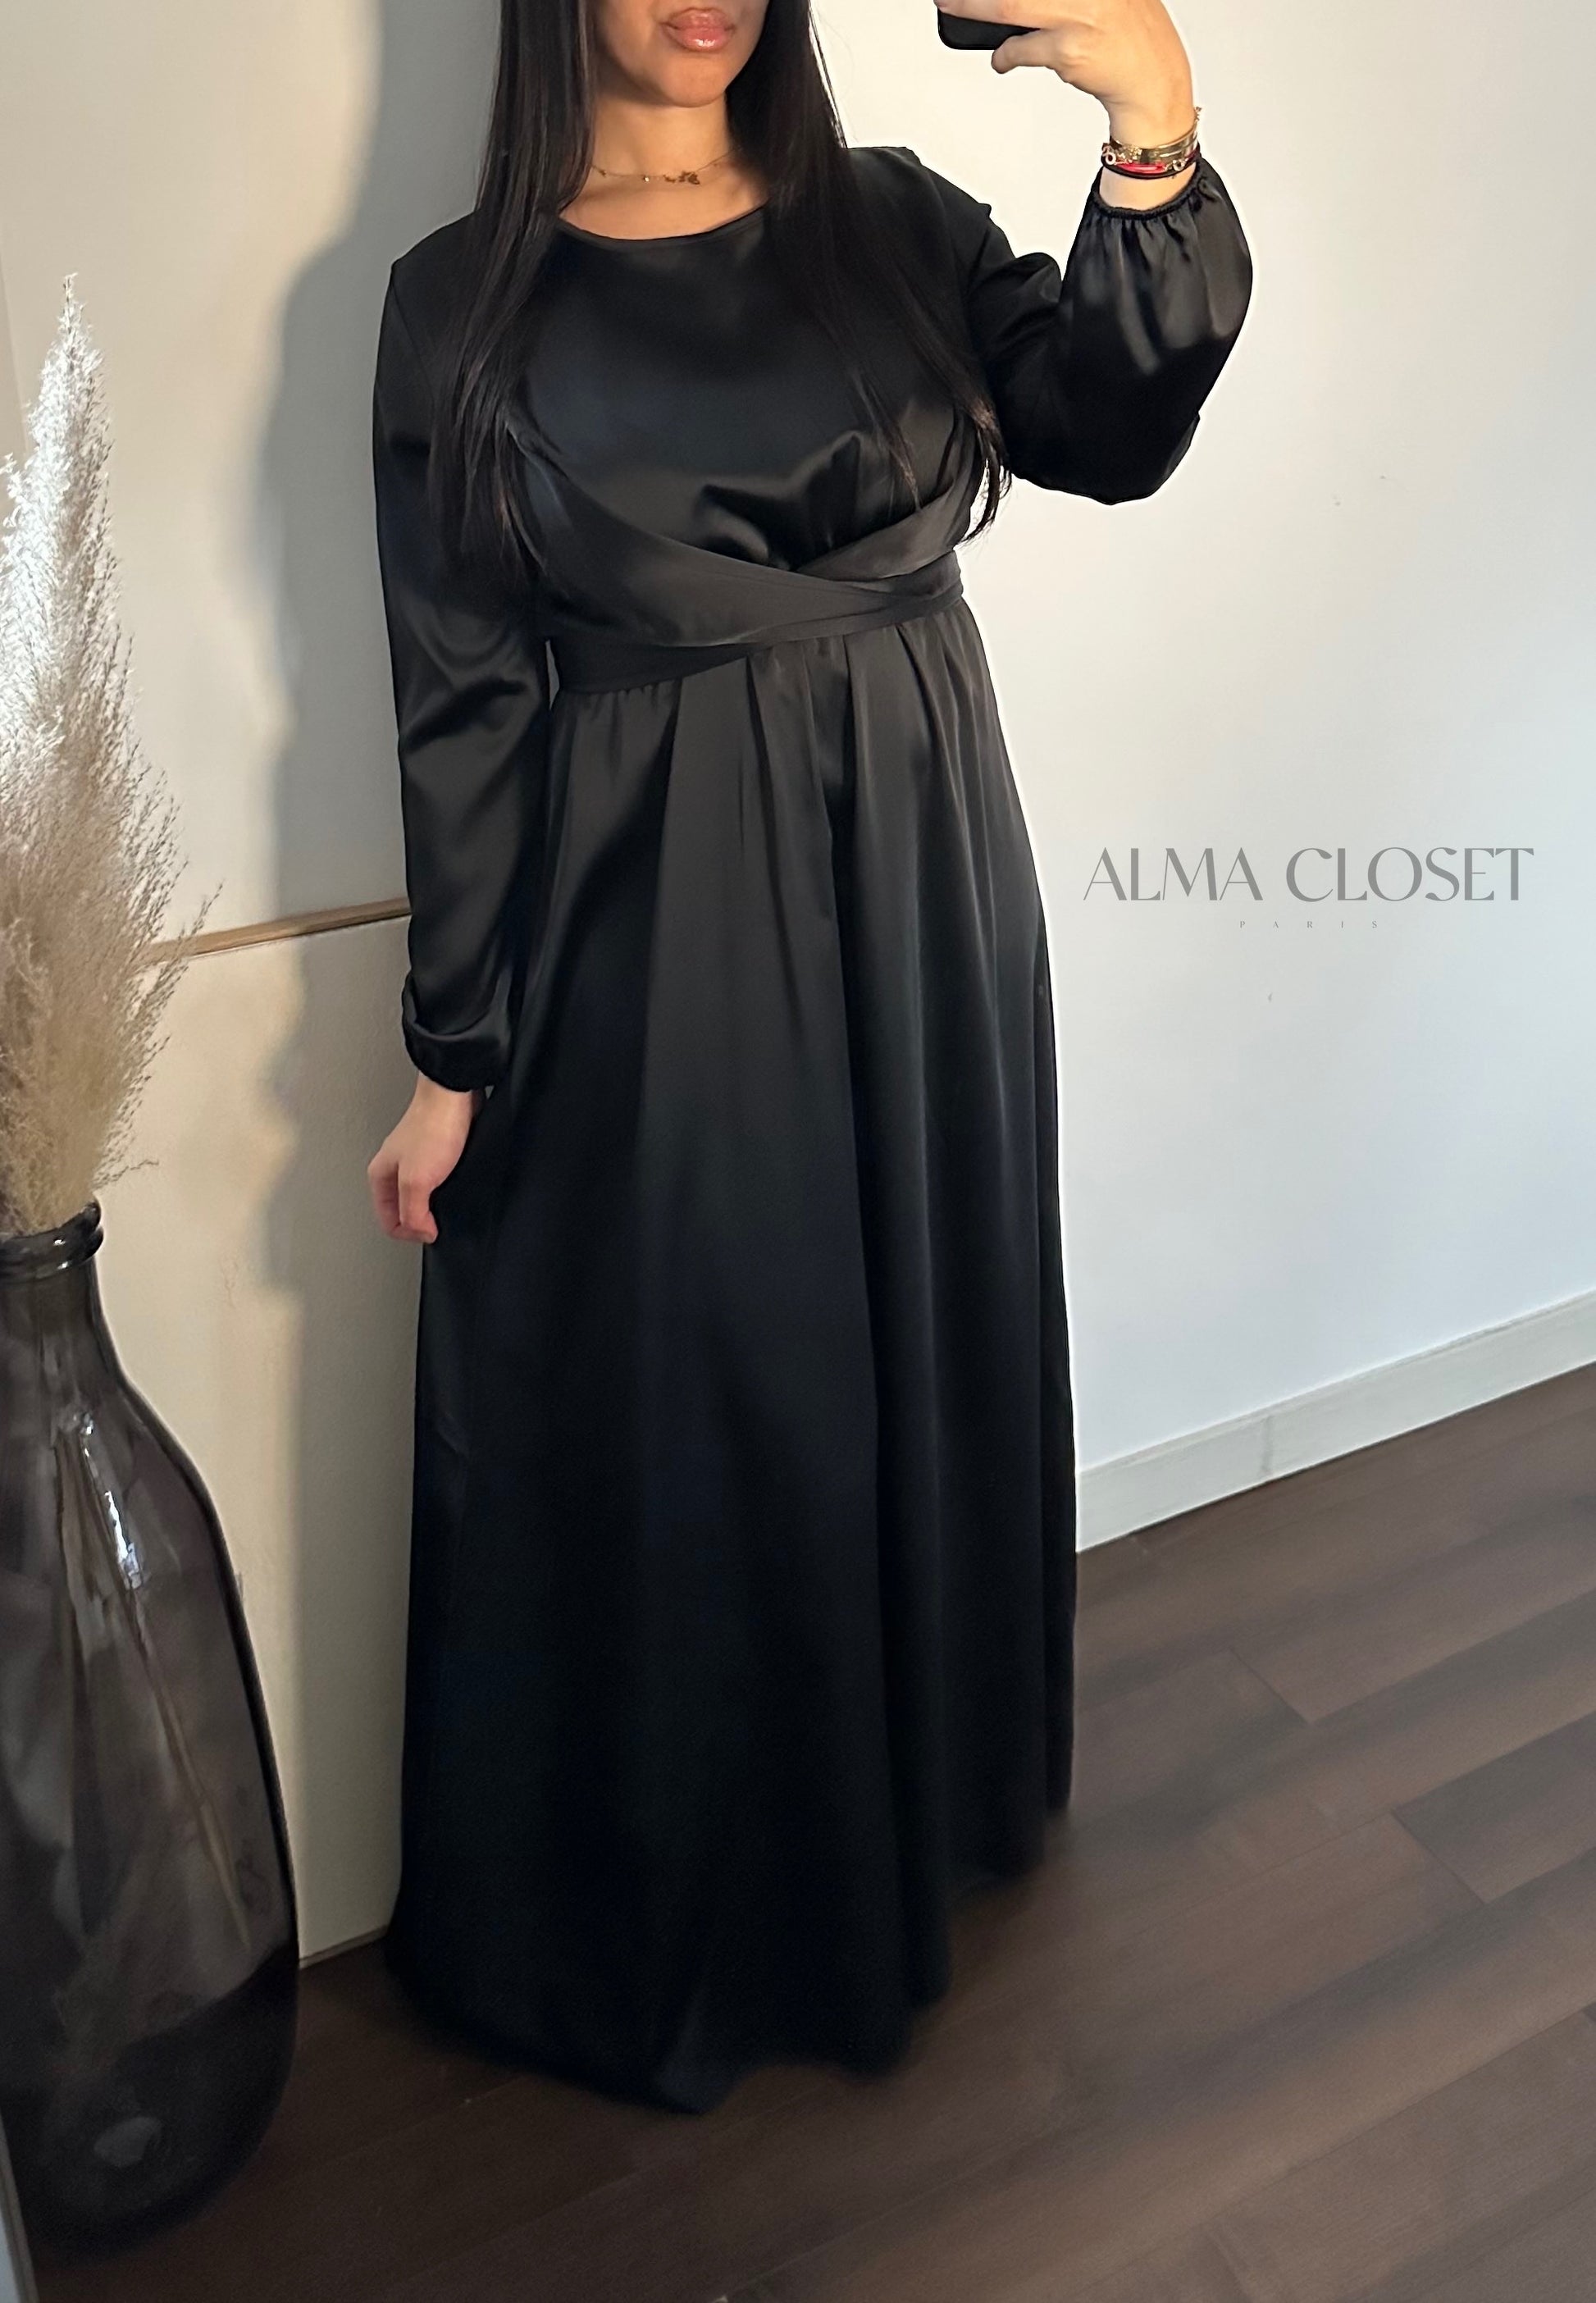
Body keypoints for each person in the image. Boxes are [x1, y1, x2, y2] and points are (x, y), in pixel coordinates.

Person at [366, 0, 1252, 2114]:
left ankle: (926, 1805)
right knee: (717, 1356)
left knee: (922, 1307)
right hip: (659, 888)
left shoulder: (893, 221)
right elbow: (460, 687)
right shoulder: (462, 301)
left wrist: (1151, 122)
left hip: (927, 846)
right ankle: (728, 1897)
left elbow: (1105, 431)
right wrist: (452, 1050)